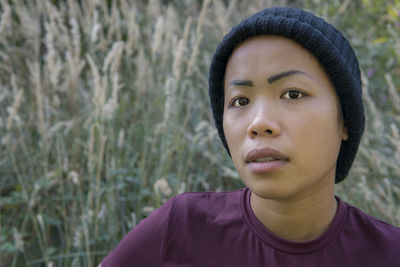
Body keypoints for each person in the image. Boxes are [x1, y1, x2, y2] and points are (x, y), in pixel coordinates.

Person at [100, 7, 400, 266]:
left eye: (292, 94)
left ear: (345, 119)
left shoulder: (389, 254)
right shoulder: (179, 230)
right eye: (240, 101)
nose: (258, 123)